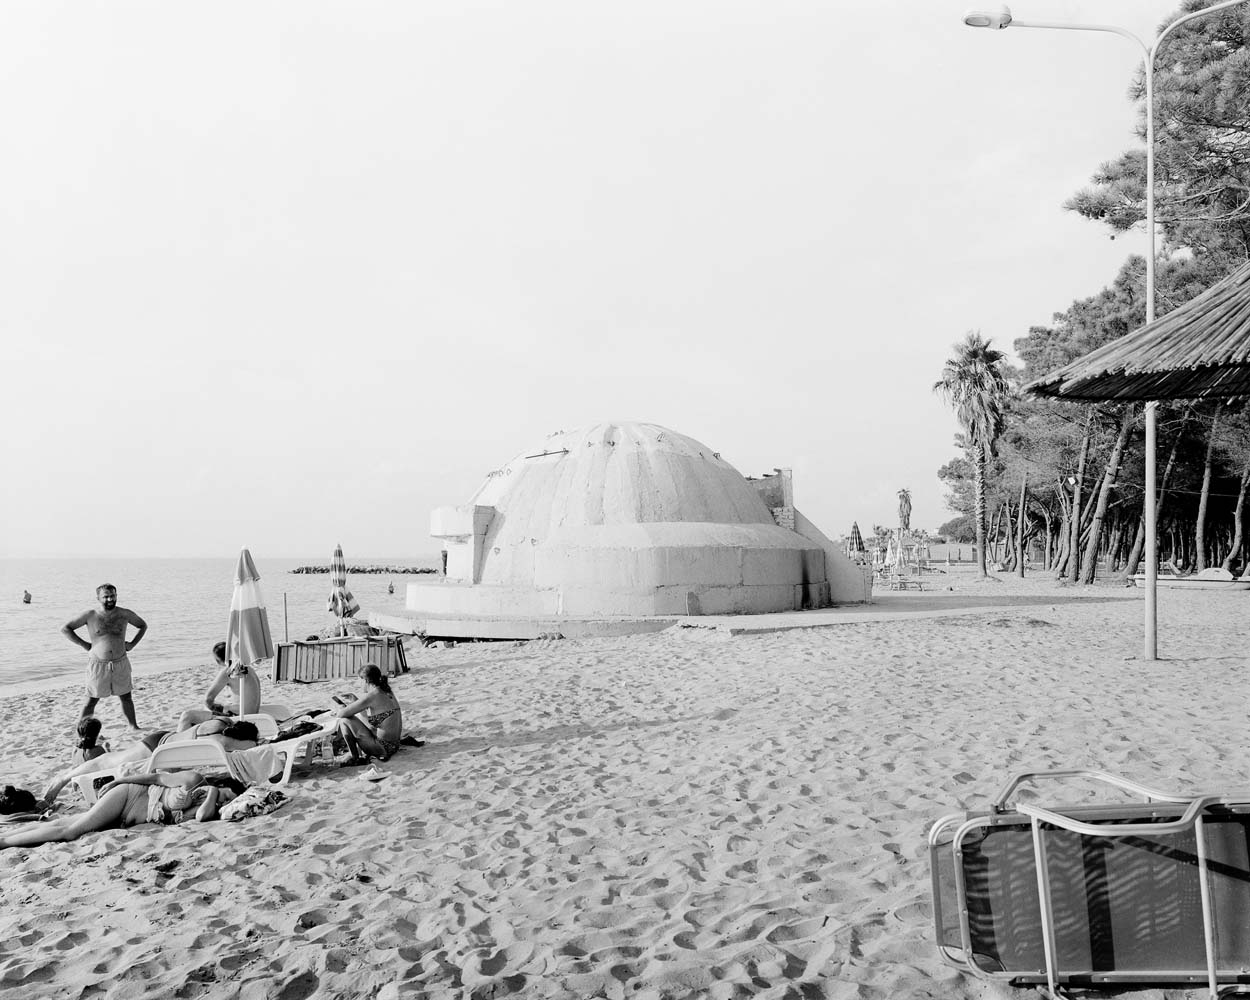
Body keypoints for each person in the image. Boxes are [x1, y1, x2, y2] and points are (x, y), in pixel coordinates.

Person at [40, 719, 260, 807]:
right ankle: (61, 779)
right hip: (157, 749)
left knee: (109, 760)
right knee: (106, 762)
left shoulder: (221, 724)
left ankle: (66, 778)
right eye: (248, 744)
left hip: (164, 740)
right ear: (239, 739)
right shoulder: (218, 742)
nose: (248, 749)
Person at [2, 771, 243, 850]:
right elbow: (157, 776)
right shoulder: (195, 779)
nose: (223, 803)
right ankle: (3, 842)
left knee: (59, 823)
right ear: (220, 784)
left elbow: (201, 819)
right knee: (70, 832)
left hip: (124, 817)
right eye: (225, 796)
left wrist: (215, 797)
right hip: (128, 796)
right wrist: (118, 782)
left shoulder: (208, 807)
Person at [61, 583, 147, 732]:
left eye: (112, 596)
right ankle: (81, 731)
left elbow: (142, 625)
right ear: (98, 598)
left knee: (126, 697)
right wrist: (85, 645)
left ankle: (133, 726)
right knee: (91, 700)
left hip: (120, 662)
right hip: (98, 664)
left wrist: (132, 644)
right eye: (105, 596)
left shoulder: (125, 614)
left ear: (116, 596)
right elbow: (66, 629)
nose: (109, 599)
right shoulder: (90, 615)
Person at [176, 641, 262, 730]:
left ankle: (179, 741)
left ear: (217, 660)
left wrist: (217, 709)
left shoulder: (230, 671)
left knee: (187, 715)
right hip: (253, 714)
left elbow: (208, 699)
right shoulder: (246, 668)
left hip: (241, 718)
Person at [334, 663, 402, 765]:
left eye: (359, 680)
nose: (358, 684)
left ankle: (354, 756)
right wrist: (355, 700)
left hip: (383, 749)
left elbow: (341, 714)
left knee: (344, 721)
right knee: (354, 720)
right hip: (394, 746)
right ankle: (353, 754)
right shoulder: (386, 691)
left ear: (365, 680)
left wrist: (342, 708)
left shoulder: (371, 696)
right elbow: (368, 719)